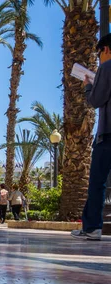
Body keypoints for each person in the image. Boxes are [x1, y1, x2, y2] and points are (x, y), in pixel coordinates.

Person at [71, 34, 111, 240]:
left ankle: (92, 227)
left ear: (105, 50)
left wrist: (88, 84)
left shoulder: (107, 67)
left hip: (108, 134)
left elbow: (95, 100)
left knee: (97, 181)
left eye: (99, 54)